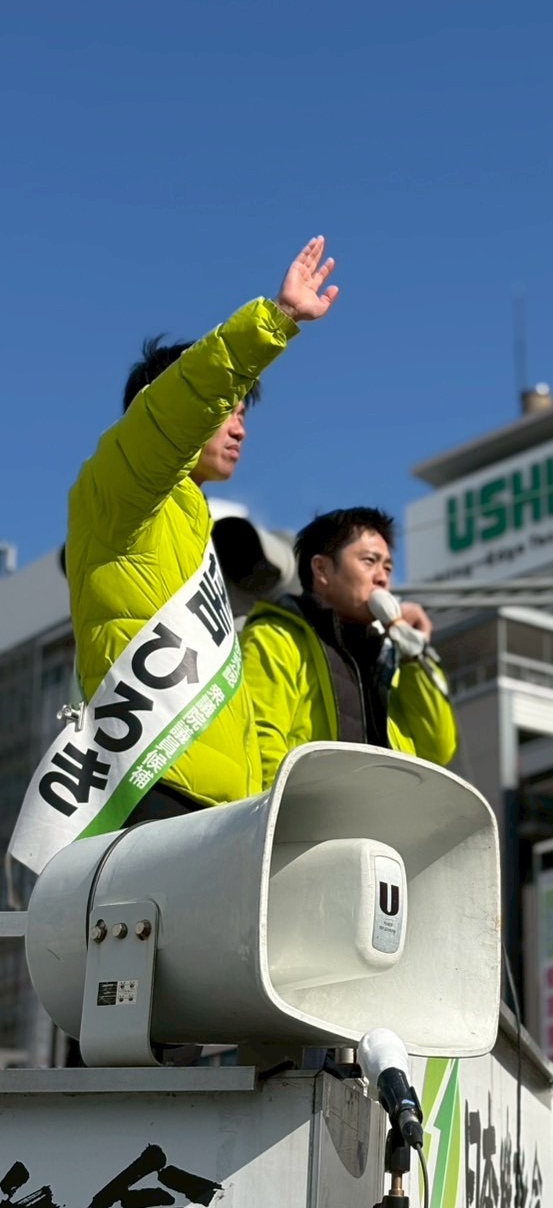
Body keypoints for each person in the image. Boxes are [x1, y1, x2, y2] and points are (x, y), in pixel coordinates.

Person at [11, 238, 340, 870]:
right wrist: (275, 320)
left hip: (218, 813)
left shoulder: (192, 524)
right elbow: (175, 410)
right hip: (149, 791)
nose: (240, 427)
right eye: (228, 409)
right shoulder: (120, 485)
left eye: (243, 413)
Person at [240, 507, 456, 786]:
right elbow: (260, 737)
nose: (382, 577)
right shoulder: (274, 637)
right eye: (369, 561)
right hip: (308, 811)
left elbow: (438, 749)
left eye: (388, 568)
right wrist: (284, 810)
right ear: (322, 570)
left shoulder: (392, 660)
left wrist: (414, 656)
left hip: (383, 812)